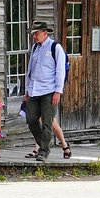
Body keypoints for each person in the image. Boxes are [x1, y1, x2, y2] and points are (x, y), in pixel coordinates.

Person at [23, 21, 65, 162]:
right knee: (31, 119)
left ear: (45, 33)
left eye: (37, 33)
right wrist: (27, 89)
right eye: (33, 34)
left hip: (49, 90)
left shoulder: (55, 47)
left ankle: (43, 151)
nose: (34, 36)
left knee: (47, 122)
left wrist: (58, 91)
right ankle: (44, 143)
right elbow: (30, 70)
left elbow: (60, 71)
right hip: (34, 90)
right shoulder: (35, 48)